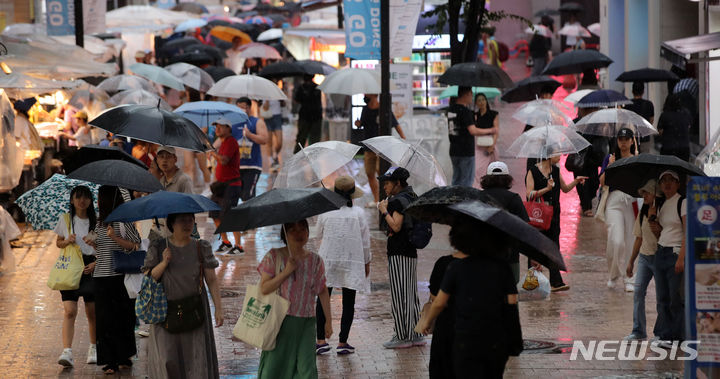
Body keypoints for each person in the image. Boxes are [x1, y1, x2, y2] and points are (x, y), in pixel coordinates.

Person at [417, 220, 522, 377]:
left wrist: (426, 321)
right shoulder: (502, 267)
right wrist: (514, 338)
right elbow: (512, 304)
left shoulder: (455, 267)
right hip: (495, 336)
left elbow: (438, 302)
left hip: (465, 337)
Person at [143, 213, 223, 379]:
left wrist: (219, 309)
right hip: (165, 312)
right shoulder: (158, 247)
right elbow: (150, 277)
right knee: (167, 359)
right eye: (182, 220)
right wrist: (164, 263)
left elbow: (212, 280)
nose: (187, 224)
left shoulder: (201, 247)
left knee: (196, 361)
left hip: (194, 311)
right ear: (172, 223)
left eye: (190, 220)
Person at [257, 220, 333, 378]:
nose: (299, 233)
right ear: (285, 234)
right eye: (293, 230)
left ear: (307, 232)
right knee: (275, 368)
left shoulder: (315, 260)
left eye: (302, 229)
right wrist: (286, 272)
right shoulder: (274, 256)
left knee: (307, 369)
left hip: (306, 322)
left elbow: (322, 291)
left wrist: (328, 320)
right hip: (280, 321)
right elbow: (264, 288)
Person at [314, 176, 371, 355]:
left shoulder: (325, 211)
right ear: (353, 194)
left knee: (323, 297)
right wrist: (366, 262)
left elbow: (317, 234)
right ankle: (342, 342)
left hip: (328, 259)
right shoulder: (359, 213)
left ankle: (321, 340)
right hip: (352, 260)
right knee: (349, 300)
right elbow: (365, 242)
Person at [90, 185, 141, 375]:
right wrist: (93, 243)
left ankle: (124, 356)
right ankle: (109, 360)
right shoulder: (99, 222)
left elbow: (136, 245)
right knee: (104, 320)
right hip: (101, 278)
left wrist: (116, 238)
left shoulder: (123, 221)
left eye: (99, 198)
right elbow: (99, 251)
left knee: (124, 318)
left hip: (121, 277)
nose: (97, 201)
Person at [376, 167, 425, 348]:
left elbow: (396, 226)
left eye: (387, 183)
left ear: (397, 183)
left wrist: (384, 210)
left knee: (399, 294)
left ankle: (402, 336)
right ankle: (416, 333)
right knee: (410, 292)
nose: (385, 187)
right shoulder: (412, 196)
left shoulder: (397, 201)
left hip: (398, 252)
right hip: (410, 251)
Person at [526, 152, 586, 292]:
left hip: (554, 213)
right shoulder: (533, 171)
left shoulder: (556, 170)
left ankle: (556, 281)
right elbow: (529, 194)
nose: (560, 155)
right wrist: (546, 189)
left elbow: (564, 189)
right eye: (557, 152)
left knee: (554, 246)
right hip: (539, 213)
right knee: (535, 245)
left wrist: (576, 181)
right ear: (548, 154)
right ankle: (531, 282)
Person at [54, 186, 98, 367]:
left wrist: (95, 257)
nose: (82, 200)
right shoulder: (65, 219)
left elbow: (104, 248)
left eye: (86, 197)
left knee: (92, 312)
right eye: (78, 197)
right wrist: (67, 241)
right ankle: (67, 351)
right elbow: (58, 243)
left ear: (91, 200)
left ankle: (94, 347)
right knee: (70, 311)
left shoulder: (97, 222)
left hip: (91, 266)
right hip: (71, 267)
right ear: (72, 200)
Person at [650, 170, 687, 348]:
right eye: (663, 180)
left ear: (678, 184)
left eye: (671, 180)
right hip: (661, 252)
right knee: (662, 297)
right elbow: (659, 231)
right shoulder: (662, 204)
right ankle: (664, 334)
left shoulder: (683, 202)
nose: (667, 184)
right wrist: (652, 220)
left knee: (675, 297)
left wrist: (681, 258)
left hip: (674, 253)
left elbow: (687, 232)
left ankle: (676, 337)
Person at [599, 128, 638, 292]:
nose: (623, 142)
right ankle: (613, 274)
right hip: (614, 202)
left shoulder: (637, 160)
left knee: (630, 241)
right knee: (616, 240)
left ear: (632, 141)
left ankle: (629, 277)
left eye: (626, 139)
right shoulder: (610, 158)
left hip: (632, 202)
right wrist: (610, 166)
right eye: (620, 139)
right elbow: (602, 182)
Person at [479, 161, 530, 283]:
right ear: (507, 179)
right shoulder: (514, 199)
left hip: (483, 254)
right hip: (510, 255)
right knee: (510, 292)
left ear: (487, 178)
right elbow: (524, 229)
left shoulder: (478, 197)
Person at [624, 180, 661, 341]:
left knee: (662, 297)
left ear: (656, 194)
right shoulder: (643, 211)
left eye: (647, 192)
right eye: (643, 193)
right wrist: (631, 261)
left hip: (661, 258)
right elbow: (639, 238)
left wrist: (657, 228)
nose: (644, 196)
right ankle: (638, 330)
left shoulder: (663, 210)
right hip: (645, 258)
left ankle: (661, 332)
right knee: (638, 292)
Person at [356, 94, 406, 207]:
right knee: (369, 173)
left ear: (374, 94)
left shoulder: (383, 109)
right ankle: (376, 199)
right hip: (368, 147)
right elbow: (362, 124)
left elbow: (395, 124)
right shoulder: (365, 109)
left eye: (367, 92)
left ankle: (386, 198)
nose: (365, 95)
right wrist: (358, 124)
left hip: (382, 148)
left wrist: (403, 137)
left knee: (382, 172)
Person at [427, 244, 468, 379]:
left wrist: (427, 321)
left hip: (447, 328)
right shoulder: (488, 267)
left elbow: (437, 300)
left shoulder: (445, 264)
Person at [448, 87, 498, 187]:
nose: (472, 97)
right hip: (465, 150)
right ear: (467, 94)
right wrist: (491, 130)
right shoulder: (465, 111)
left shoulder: (451, 109)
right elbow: (473, 130)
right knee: (467, 181)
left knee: (456, 179)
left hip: (454, 150)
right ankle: (465, 202)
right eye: (471, 94)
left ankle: (454, 200)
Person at [209, 119, 244, 255]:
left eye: (220, 126)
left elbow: (224, 160)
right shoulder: (223, 143)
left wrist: (213, 153)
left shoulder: (231, 142)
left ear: (228, 128)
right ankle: (225, 242)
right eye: (216, 126)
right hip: (221, 185)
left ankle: (239, 245)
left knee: (229, 216)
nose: (217, 129)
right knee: (215, 213)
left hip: (232, 185)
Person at [234, 97, 269, 201]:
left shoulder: (257, 122)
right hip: (236, 166)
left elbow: (264, 139)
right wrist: (212, 148)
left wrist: (250, 135)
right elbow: (223, 139)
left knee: (247, 196)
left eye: (243, 107)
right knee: (235, 195)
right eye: (238, 107)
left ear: (249, 108)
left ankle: (249, 216)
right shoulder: (233, 123)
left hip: (253, 166)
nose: (240, 110)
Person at [473, 93, 499, 189]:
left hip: (491, 145)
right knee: (478, 169)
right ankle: (480, 188)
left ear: (486, 101)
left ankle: (491, 189)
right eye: (479, 100)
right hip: (479, 146)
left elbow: (496, 131)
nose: (481, 102)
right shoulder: (475, 115)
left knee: (492, 170)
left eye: (483, 99)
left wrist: (492, 145)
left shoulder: (493, 114)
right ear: (476, 103)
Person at [657, 93, 692, 161]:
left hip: (668, 148)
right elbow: (689, 127)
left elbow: (660, 131)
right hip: (684, 148)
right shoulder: (686, 113)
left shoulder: (664, 115)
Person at [293, 74, 322, 153]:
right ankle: (314, 154)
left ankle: (297, 154)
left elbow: (296, 100)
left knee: (301, 137)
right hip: (316, 116)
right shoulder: (317, 88)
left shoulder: (301, 88)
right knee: (315, 137)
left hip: (304, 115)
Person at [624, 82, 655, 153]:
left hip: (632, 138)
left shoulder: (627, 105)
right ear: (643, 91)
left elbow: (625, 121)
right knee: (644, 159)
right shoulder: (649, 104)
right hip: (645, 136)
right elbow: (651, 120)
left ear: (632, 91)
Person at [262, 98, 284, 170]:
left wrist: (282, 101)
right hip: (268, 117)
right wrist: (267, 100)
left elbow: (284, 105)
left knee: (279, 142)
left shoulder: (277, 93)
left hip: (277, 117)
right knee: (269, 142)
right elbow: (265, 108)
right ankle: (271, 161)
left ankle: (275, 155)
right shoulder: (265, 94)